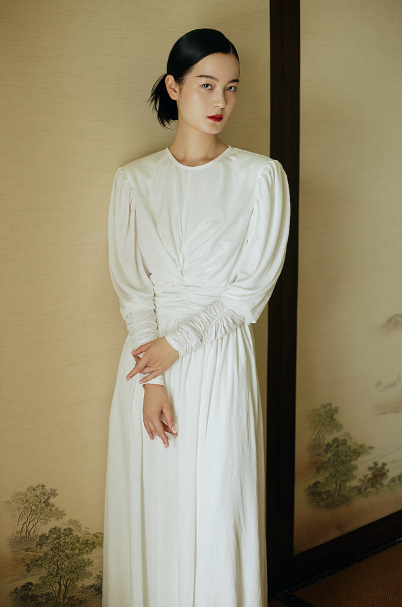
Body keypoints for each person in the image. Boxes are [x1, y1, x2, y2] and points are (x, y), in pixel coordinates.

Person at [103, 27, 290, 607]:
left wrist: (176, 344)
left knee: (217, 502)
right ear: (173, 86)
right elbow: (134, 292)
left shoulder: (262, 177)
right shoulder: (133, 181)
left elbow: (247, 294)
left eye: (231, 88)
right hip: (147, 366)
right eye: (206, 85)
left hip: (218, 357)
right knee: (157, 504)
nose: (220, 101)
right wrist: (154, 378)